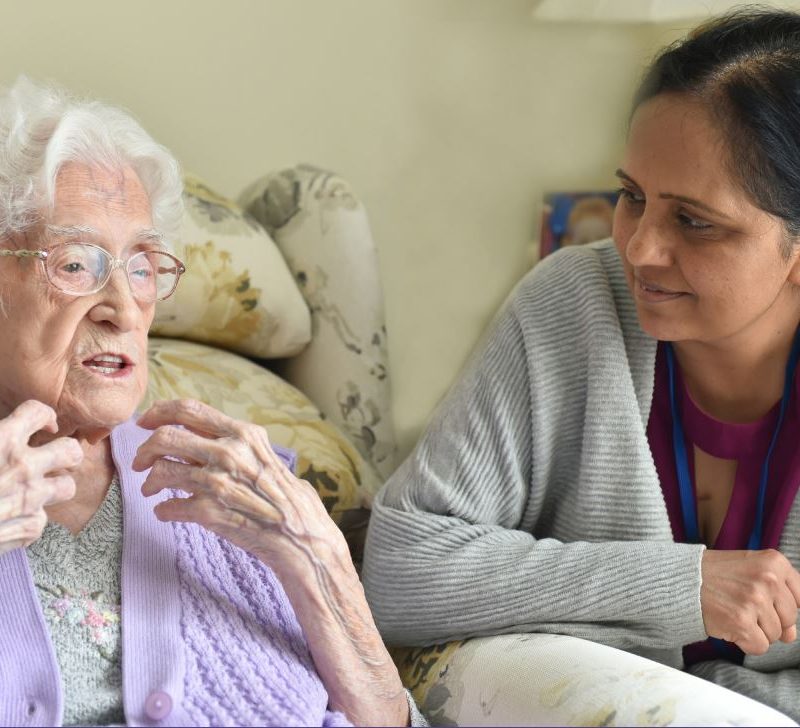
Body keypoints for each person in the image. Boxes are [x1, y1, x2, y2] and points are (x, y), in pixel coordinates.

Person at [363, 7, 800, 722]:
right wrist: (674, 586)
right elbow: (402, 570)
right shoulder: (573, 302)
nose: (640, 250)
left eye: (694, 221)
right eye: (633, 197)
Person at [0, 77, 424, 728]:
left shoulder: (241, 488)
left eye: (143, 267)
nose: (123, 308)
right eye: (77, 263)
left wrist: (320, 562)